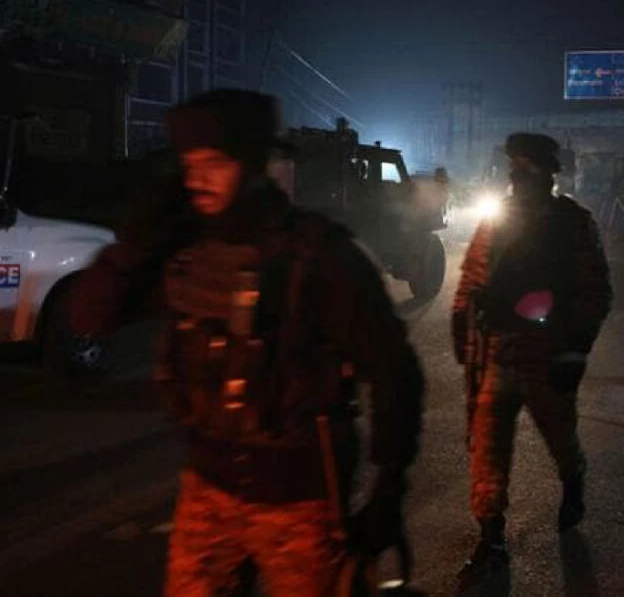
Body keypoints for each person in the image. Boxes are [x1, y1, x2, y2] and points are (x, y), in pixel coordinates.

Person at [69, 90, 425, 596]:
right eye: (189, 163)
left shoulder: (318, 256)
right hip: (206, 488)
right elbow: (90, 317)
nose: (197, 178)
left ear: (253, 164)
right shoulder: (189, 246)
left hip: (299, 503)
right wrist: (134, 244)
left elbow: (394, 372)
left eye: (214, 162)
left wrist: (389, 490)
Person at [452, 132, 612, 592]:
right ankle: (491, 538)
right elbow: (471, 278)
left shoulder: (574, 223)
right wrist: (462, 330)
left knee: (561, 439)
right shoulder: (496, 222)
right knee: (487, 451)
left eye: (527, 167)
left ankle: (573, 481)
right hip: (497, 356)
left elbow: (596, 292)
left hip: (549, 356)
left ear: (548, 172)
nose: (517, 176)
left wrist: (576, 347)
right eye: (513, 167)